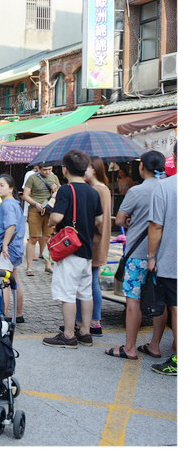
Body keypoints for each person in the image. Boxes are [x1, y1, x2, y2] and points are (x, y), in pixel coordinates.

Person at [106, 150, 165, 361]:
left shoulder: (137, 191)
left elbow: (120, 220)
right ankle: (155, 345)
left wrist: (132, 221)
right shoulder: (170, 188)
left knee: (134, 301)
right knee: (161, 301)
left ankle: (129, 347)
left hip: (139, 254)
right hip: (164, 255)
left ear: (142, 168)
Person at [42, 150, 102, 349]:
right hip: (86, 250)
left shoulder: (66, 190)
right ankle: (85, 332)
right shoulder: (93, 192)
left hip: (69, 251)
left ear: (64, 170)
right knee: (85, 292)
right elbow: (99, 221)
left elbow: (57, 218)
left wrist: (51, 220)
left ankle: (68, 335)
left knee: (67, 294)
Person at [146, 143, 177, 375]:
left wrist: (151, 256)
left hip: (174, 260)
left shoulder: (166, 187)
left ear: (174, 158)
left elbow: (156, 226)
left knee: (177, 308)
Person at [78, 157, 112, 336]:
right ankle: (88, 321)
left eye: (87, 168)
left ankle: (94, 321)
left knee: (90, 283)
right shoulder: (103, 189)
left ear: (95, 170)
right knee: (90, 281)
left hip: (94, 241)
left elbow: (96, 220)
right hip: (99, 240)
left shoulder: (97, 190)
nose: (84, 171)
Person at [0, 174, 26, 323]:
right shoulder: (14, 203)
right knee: (14, 279)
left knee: (3, 283)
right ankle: (19, 313)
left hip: (6, 250)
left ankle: (1, 316)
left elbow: (11, 225)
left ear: (11, 188)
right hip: (14, 249)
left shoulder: (8, 204)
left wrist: (4, 244)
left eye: (2, 185)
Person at [22, 162, 60, 276]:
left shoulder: (54, 177)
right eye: (44, 170)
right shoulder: (32, 178)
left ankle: (48, 265)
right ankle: (29, 267)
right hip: (35, 210)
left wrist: (55, 190)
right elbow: (25, 195)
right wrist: (36, 204)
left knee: (48, 238)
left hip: (49, 210)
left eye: (49, 169)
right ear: (38, 169)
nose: (47, 172)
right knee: (33, 238)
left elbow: (58, 194)